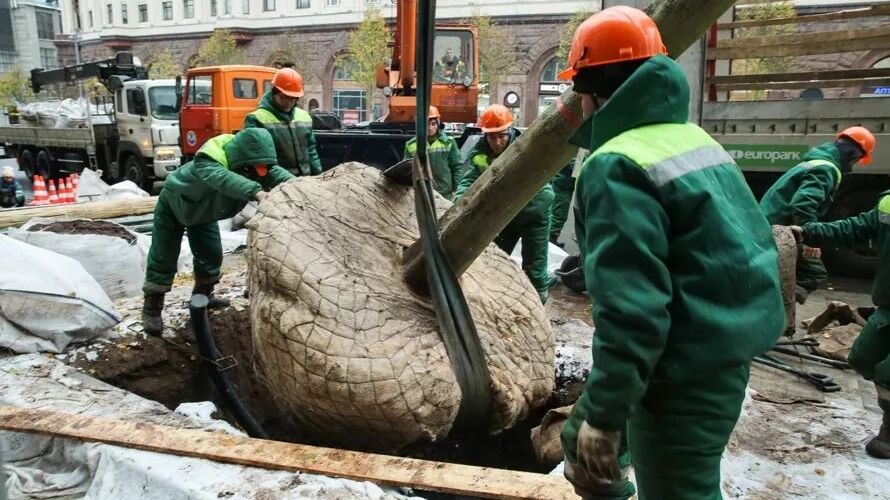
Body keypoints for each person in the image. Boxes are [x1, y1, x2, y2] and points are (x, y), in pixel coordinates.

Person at [557, 7, 785, 499]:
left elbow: (634, 312)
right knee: (605, 452)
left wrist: (604, 414)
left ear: (592, 92)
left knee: (678, 490)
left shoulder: (615, 163)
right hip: (715, 348)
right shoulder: (689, 137)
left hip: (681, 372)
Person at [141, 128, 294, 335]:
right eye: (254, 169)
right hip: (174, 207)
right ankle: (152, 309)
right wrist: (256, 192)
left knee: (210, 257)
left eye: (264, 167)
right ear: (241, 161)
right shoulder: (208, 162)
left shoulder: (255, 167)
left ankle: (201, 300)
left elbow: (277, 175)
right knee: (163, 257)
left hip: (203, 214)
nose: (260, 173)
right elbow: (222, 178)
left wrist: (303, 187)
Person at [794, 194, 889, 459]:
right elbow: (852, 229)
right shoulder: (888, 205)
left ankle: (889, 432)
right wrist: (805, 232)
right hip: (888, 308)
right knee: (863, 357)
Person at [760, 126, 875, 304]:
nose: (855, 164)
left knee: (782, 270)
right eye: (858, 159)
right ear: (853, 154)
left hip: (771, 224)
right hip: (779, 228)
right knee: (814, 272)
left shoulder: (819, 161)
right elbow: (802, 204)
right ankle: (776, 305)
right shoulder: (827, 169)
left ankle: (774, 299)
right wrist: (808, 238)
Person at [454, 104, 554, 303]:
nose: (498, 142)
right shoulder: (480, 153)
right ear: (485, 136)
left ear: (510, 131)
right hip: (506, 215)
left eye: (502, 136)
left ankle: (537, 302)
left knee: (535, 264)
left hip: (534, 213)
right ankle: (497, 300)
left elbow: (546, 191)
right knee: (496, 259)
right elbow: (470, 178)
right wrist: (458, 203)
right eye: (492, 137)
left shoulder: (527, 148)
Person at [244, 67, 322, 177]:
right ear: (274, 92)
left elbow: (311, 151)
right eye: (285, 97)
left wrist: (318, 178)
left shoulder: (304, 116)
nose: (289, 102)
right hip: (277, 184)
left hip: (305, 181)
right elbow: (260, 162)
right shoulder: (256, 119)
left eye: (294, 98)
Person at [402, 106, 462, 199]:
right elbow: (407, 172)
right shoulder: (411, 145)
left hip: (445, 193)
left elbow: (457, 167)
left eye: (433, 124)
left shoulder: (448, 142)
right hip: (422, 194)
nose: (430, 128)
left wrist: (457, 190)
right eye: (426, 124)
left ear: (438, 124)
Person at [549, 159, 575, 245]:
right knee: (559, 211)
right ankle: (551, 239)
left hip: (564, 181)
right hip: (564, 182)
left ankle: (551, 238)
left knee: (557, 210)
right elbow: (575, 164)